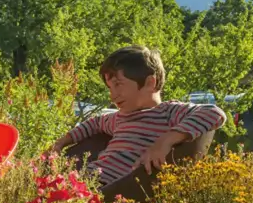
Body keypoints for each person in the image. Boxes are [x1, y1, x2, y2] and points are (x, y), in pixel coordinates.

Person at [50, 45, 226, 185]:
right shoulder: (119, 118)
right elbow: (93, 124)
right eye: (110, 88)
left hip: (115, 187)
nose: (113, 95)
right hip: (87, 180)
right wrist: (61, 143)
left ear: (150, 82)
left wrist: (165, 141)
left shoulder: (167, 112)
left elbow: (214, 113)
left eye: (119, 84)